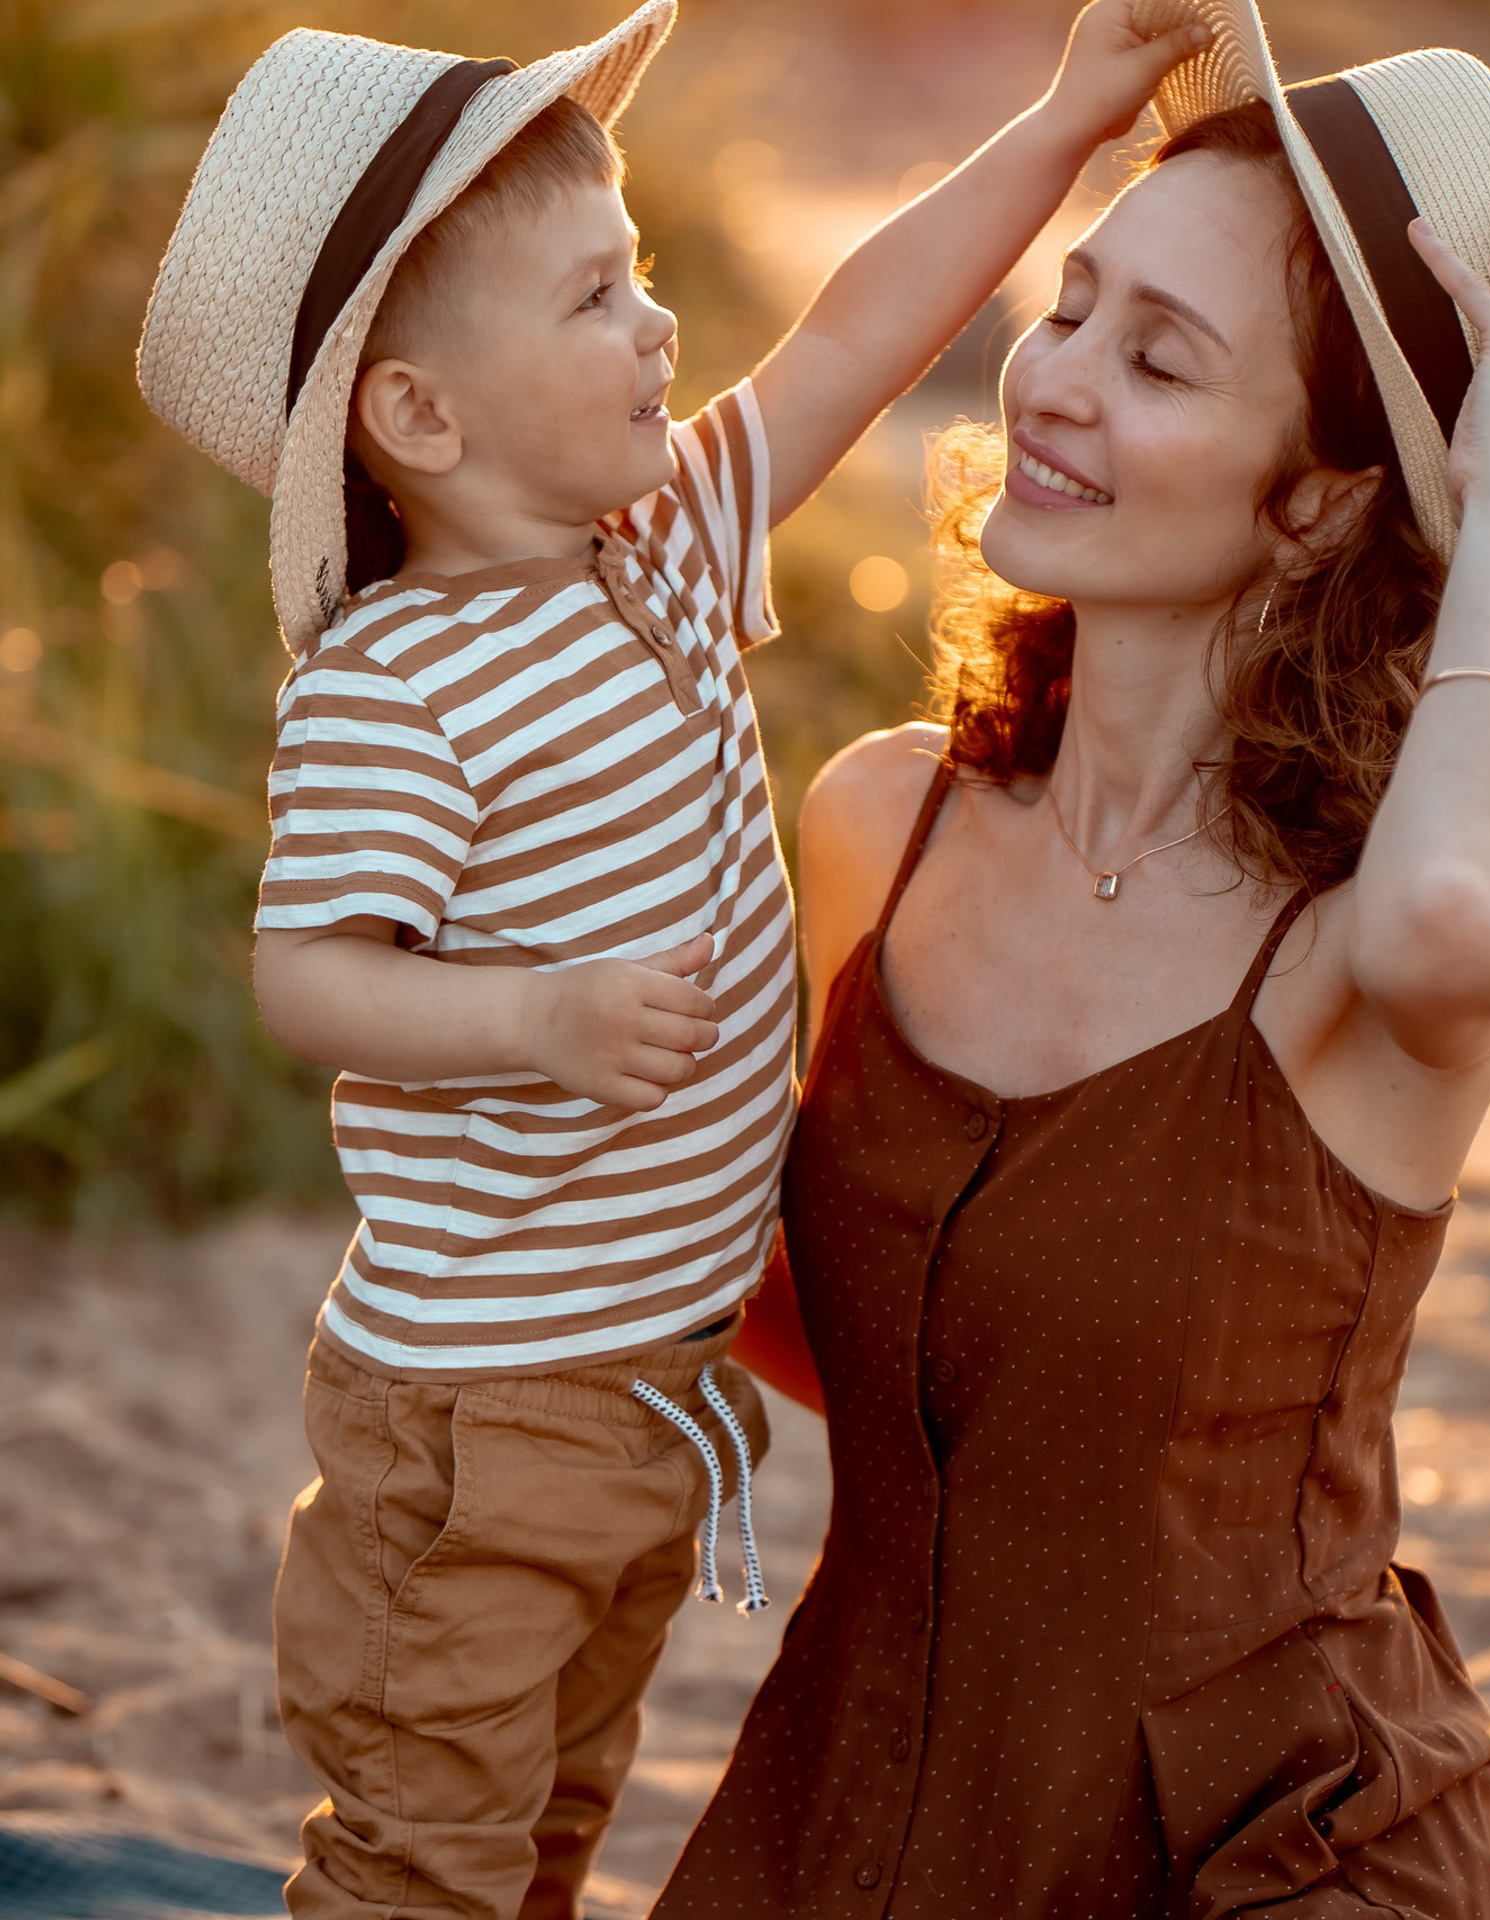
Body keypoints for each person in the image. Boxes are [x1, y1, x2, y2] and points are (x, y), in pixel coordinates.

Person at [135, 5, 1209, 1917]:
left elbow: (867, 329)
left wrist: (1068, 115)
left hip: (642, 1391)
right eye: (593, 298)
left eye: (638, 277)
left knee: (551, 1827)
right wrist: (531, 1015)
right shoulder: (393, 686)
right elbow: (309, 977)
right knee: (423, 1863)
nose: (654, 326)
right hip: (471, 1429)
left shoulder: (663, 545)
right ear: (421, 419)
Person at [669, 9, 1490, 1918]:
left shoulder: (1368, 949)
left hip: (1266, 1848)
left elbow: (1473, 920)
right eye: (1070, 310)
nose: (1049, 383)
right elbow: (895, 1337)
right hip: (855, 1815)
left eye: (1158, 359)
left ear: (1320, 499)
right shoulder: (884, 822)